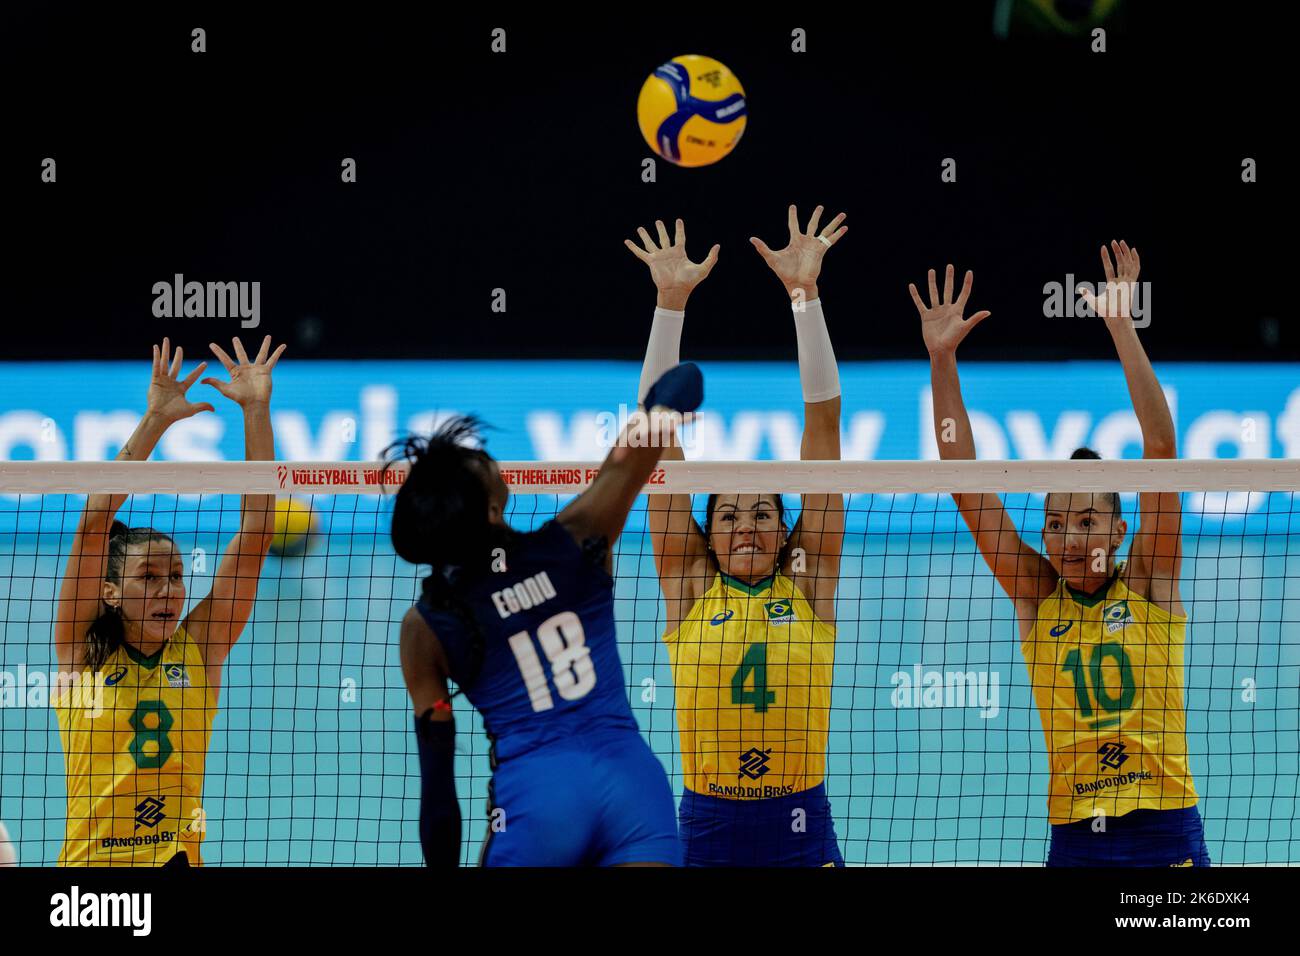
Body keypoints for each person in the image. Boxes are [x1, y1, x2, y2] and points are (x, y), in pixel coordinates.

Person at [913, 242, 1206, 865]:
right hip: (1076, 836)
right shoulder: (1037, 594)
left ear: (1121, 531)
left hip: (1166, 826)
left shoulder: (1152, 582)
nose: (1071, 540)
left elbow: (1160, 444)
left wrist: (1122, 327)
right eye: (1054, 523)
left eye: (1087, 521)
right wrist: (942, 361)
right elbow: (966, 486)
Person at [389, 363, 703, 866]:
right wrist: (661, 409)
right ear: (491, 509)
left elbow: (439, 791)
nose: (482, 456)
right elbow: (681, 386)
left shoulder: (424, 626)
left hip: (538, 803)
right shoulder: (579, 537)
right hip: (634, 789)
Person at [625, 208, 848, 866]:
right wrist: (670, 305)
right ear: (707, 533)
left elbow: (825, 428)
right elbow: (654, 436)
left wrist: (804, 297)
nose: (746, 527)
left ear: (786, 533)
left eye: (760, 515)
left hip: (802, 820)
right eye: (727, 516)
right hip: (706, 825)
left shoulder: (809, 580)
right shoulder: (689, 583)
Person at [53, 336, 285, 866]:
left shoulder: (200, 648)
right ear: (110, 592)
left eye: (177, 577)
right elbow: (94, 525)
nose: (168, 591)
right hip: (90, 878)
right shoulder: (81, 649)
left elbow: (256, 537)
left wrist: (256, 409)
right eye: (149, 577)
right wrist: (156, 418)